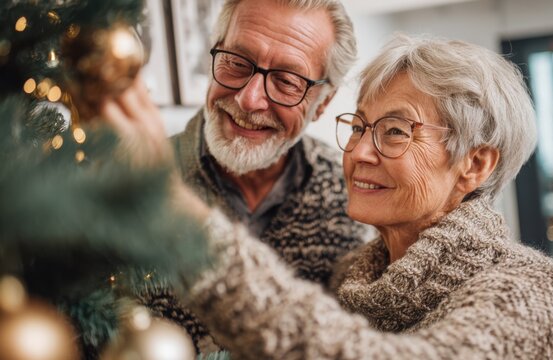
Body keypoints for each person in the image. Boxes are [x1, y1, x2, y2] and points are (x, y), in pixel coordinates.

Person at [179, 34, 553, 359]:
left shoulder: (534, 290)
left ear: (475, 164)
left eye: (394, 131)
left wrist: (200, 236)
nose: (358, 152)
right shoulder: (348, 279)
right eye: (358, 127)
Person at [101, 0, 366, 354]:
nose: (248, 99)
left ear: (321, 104)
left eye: (287, 81)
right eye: (236, 63)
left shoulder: (355, 196)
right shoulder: (126, 180)